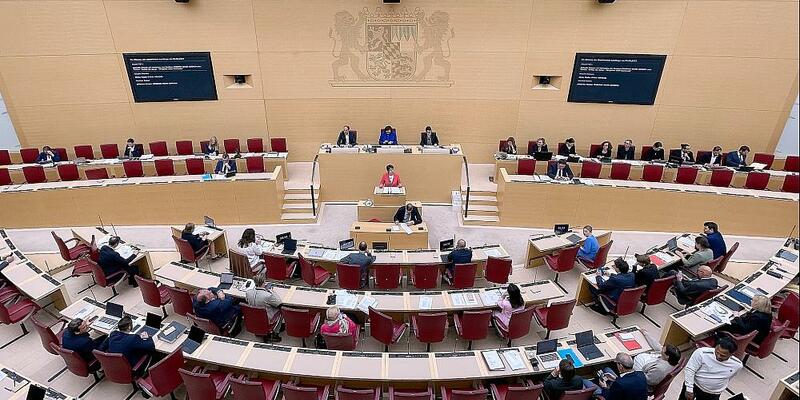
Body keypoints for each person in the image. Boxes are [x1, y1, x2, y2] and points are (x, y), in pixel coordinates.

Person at [244, 274, 282, 342]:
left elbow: (247, 300)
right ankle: (275, 333)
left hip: (253, 318)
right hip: (267, 319)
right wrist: (272, 291)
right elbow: (279, 303)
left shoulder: (248, 292)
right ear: (264, 283)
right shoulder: (268, 295)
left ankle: (259, 330)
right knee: (281, 310)